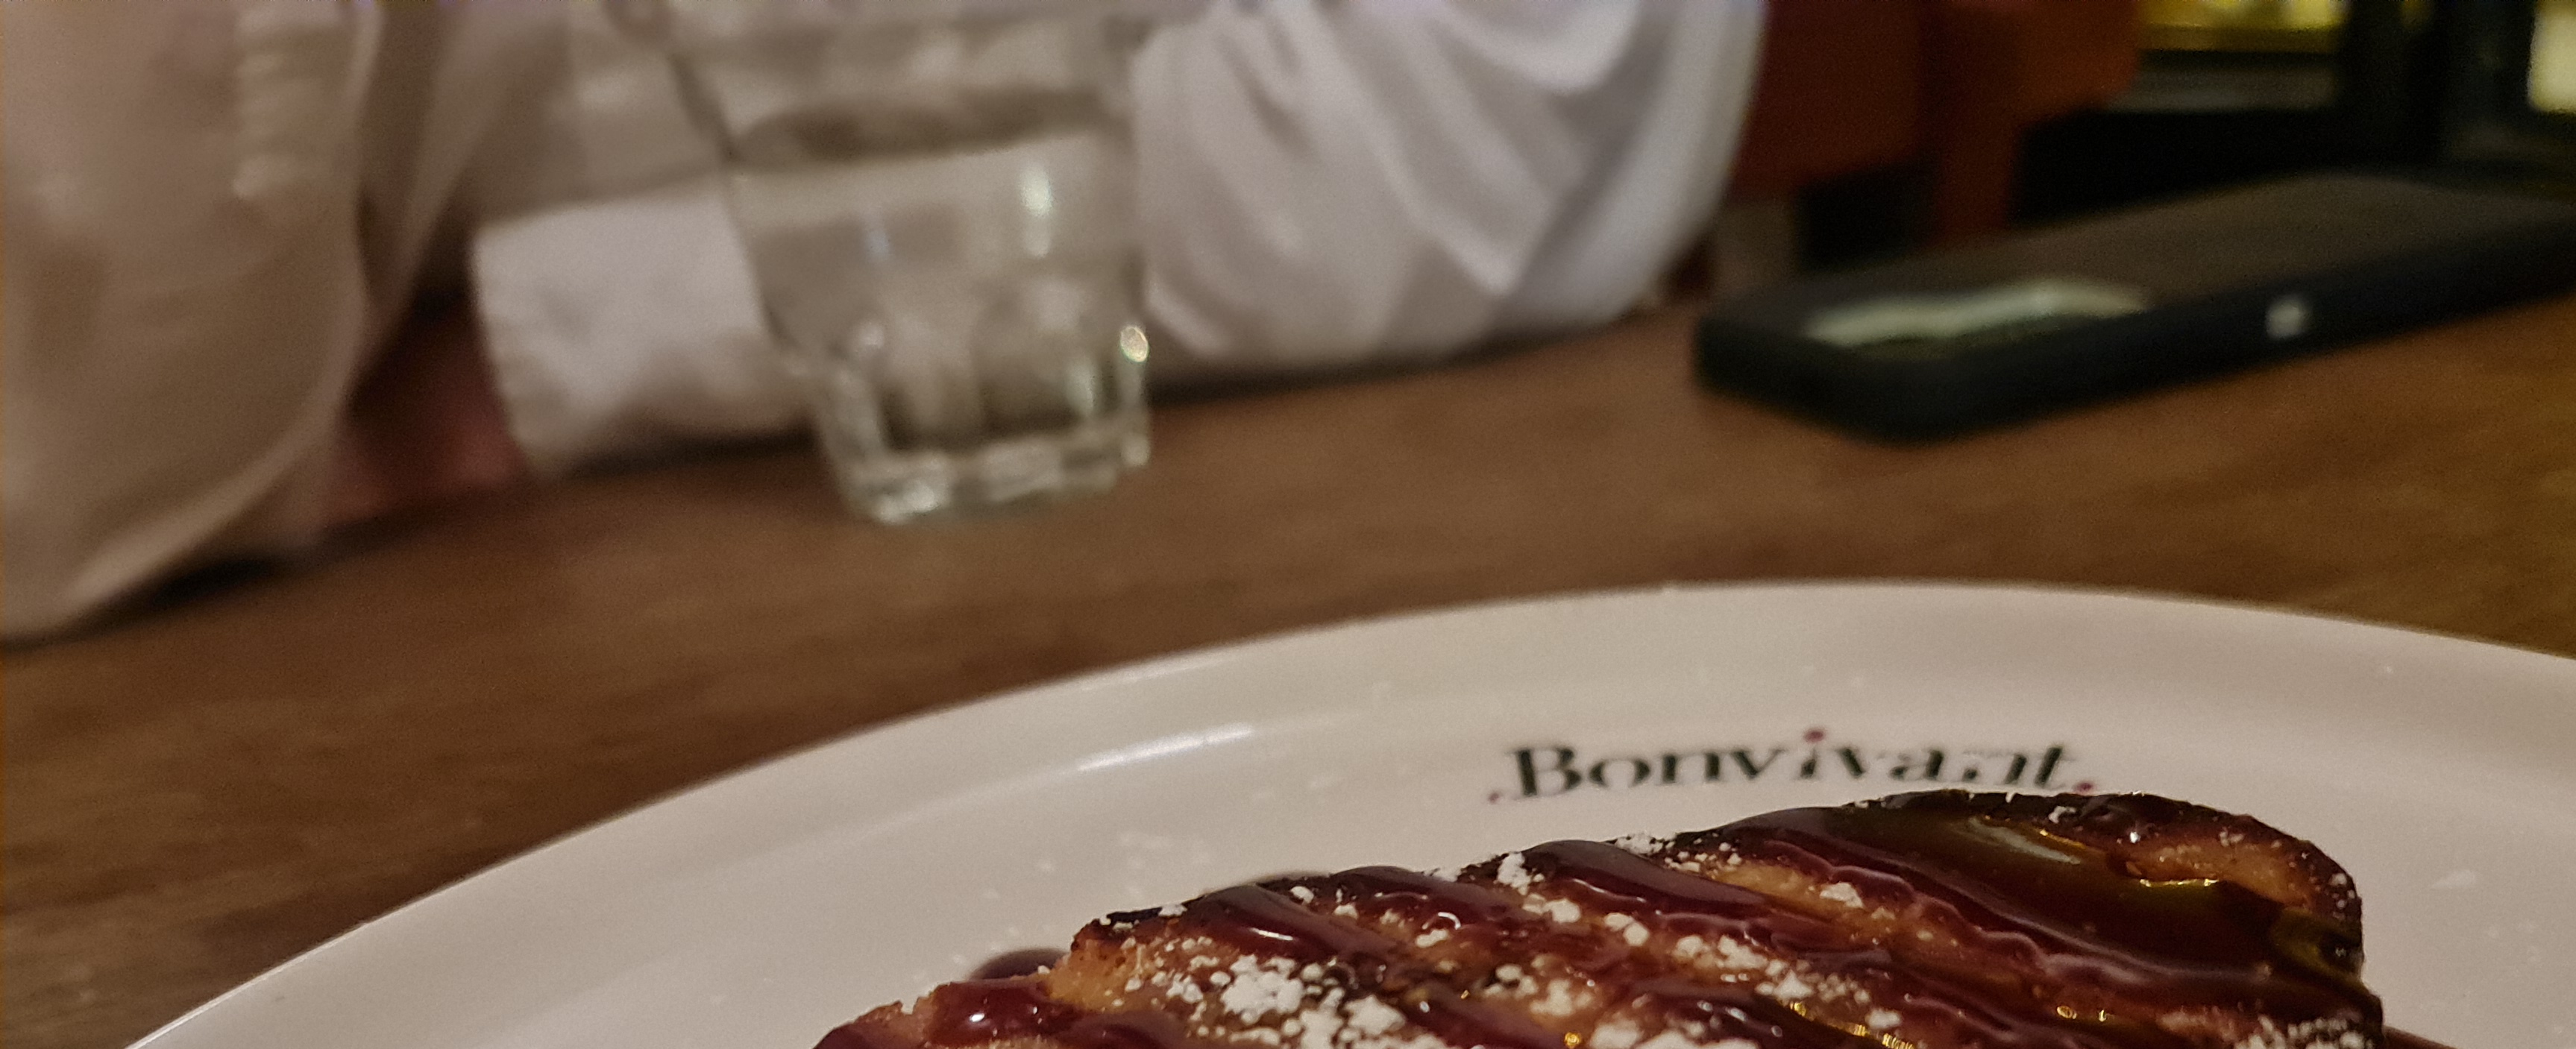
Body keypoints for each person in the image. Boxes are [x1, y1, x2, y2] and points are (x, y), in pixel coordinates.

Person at [1, 0, 1762, 639]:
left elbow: (1482, 132)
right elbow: (81, 486)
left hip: (1374, 541)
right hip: (363, 676)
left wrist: (519, 359)